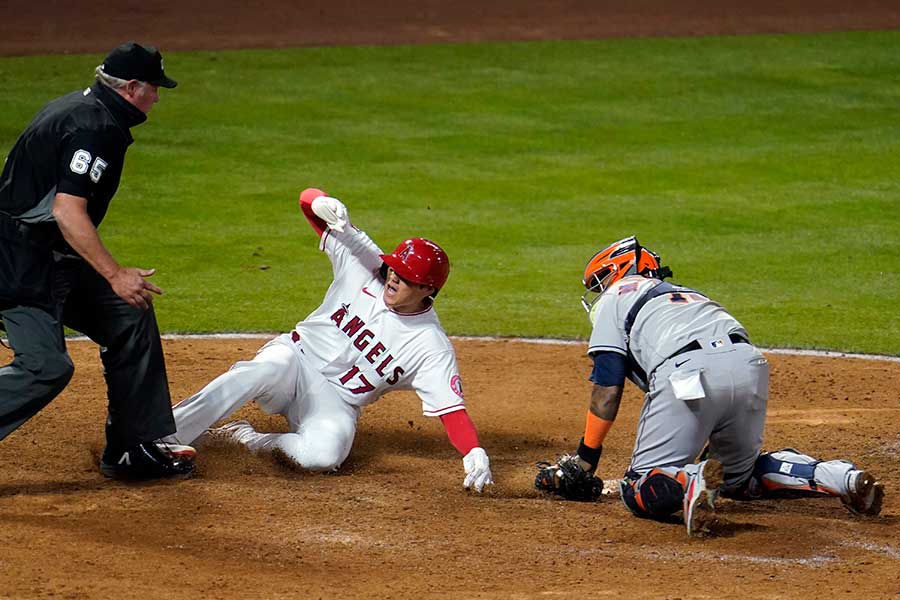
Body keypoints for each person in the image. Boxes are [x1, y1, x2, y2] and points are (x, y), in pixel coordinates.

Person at [535, 236, 885, 535]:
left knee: (639, 487)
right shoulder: (688, 295)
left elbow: (608, 387)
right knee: (738, 478)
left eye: (601, 281)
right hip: (750, 367)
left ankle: (690, 480)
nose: (600, 292)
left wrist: (586, 459)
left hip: (689, 374)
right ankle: (841, 477)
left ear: (620, 271)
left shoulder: (617, 297)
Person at [163, 188, 493, 492]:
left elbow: (452, 412)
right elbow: (309, 205)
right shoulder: (366, 265)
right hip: (294, 360)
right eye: (395, 268)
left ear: (427, 290)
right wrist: (320, 201)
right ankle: (162, 436)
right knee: (255, 373)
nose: (393, 277)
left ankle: (244, 438)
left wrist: (473, 450)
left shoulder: (429, 346)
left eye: (407, 278)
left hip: (335, 401)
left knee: (323, 456)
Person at [0, 42, 195, 480]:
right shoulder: (94, 127)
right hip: (19, 262)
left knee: (129, 311)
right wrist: (113, 273)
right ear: (131, 87)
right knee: (46, 368)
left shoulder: (85, 109)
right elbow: (67, 210)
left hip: (49, 255)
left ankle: (131, 449)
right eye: (154, 88)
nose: (158, 97)